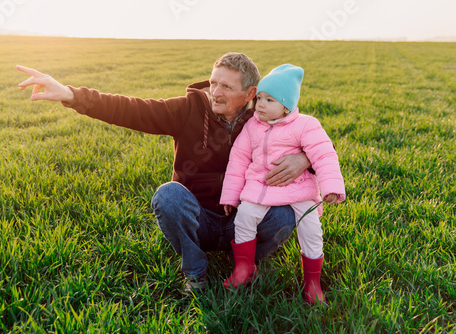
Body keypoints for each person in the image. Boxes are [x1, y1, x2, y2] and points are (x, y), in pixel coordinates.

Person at [16, 53, 312, 294]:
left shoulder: (268, 117)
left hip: (245, 219)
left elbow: (315, 143)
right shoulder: (188, 110)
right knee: (168, 196)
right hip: (200, 220)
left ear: (250, 93)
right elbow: (132, 109)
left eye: (226, 87)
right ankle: (196, 270)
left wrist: (303, 159)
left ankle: (247, 261)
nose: (215, 92)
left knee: (286, 214)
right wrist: (71, 94)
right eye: (213, 83)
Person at [220, 64, 346, 305]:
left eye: (270, 100)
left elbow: (323, 154)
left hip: (299, 188)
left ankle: (312, 282)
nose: (260, 105)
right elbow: (238, 160)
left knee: (311, 229)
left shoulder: (306, 125)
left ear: (287, 105)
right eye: (259, 99)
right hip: (260, 185)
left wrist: (331, 187)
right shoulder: (252, 126)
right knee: (244, 216)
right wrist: (230, 196)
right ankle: (244, 267)